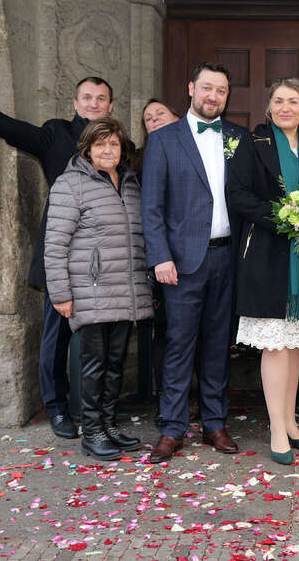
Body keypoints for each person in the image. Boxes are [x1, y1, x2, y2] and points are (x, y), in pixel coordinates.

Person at [0, 77, 114, 439]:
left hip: (105, 257)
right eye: (87, 98)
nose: (94, 104)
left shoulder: (118, 143)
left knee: (106, 340)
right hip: (62, 254)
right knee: (56, 337)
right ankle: (58, 408)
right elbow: (8, 128)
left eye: (101, 99)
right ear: (75, 104)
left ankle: (101, 410)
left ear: (110, 106)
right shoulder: (56, 135)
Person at [141, 62, 250, 463]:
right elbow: (151, 207)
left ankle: (214, 423)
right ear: (191, 88)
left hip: (227, 257)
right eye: (207, 88)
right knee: (179, 346)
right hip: (181, 262)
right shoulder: (165, 139)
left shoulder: (239, 138)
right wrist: (159, 257)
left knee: (219, 346)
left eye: (221, 91)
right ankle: (171, 429)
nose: (213, 97)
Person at [228, 77, 299, 465]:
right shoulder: (253, 144)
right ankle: (277, 429)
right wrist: (286, 218)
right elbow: (238, 194)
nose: (286, 107)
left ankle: (291, 422)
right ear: (269, 107)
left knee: (294, 346)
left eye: (293, 101)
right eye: (278, 101)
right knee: (275, 344)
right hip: (265, 255)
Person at [44, 118, 153, 460]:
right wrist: (60, 294)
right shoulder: (70, 184)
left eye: (114, 144)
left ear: (122, 149)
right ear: (88, 149)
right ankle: (91, 433)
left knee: (115, 362)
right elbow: (55, 244)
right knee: (93, 364)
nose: (108, 150)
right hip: (91, 289)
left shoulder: (131, 183)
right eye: (100, 144)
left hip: (127, 289)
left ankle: (107, 426)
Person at [129, 100, 181, 411]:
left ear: (178, 115)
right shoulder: (138, 161)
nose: (153, 119)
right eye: (148, 118)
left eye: (160, 112)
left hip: (199, 257)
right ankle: (168, 400)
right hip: (158, 259)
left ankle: (201, 397)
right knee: (165, 331)